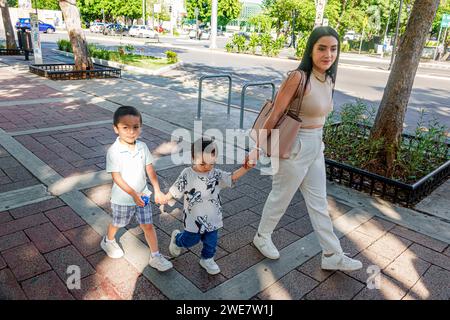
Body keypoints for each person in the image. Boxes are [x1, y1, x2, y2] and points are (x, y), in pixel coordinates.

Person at [249, 26, 363, 271]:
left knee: (319, 202)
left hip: (315, 146)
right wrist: (257, 147)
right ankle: (262, 236)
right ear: (311, 49)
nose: (328, 54)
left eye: (333, 49)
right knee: (281, 196)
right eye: (322, 48)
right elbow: (275, 112)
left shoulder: (329, 78)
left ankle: (332, 254)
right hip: (294, 143)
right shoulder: (298, 77)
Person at [164, 137, 252, 275]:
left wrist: (245, 168)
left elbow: (232, 177)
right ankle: (177, 239)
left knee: (211, 242)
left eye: (212, 163)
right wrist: (165, 197)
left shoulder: (216, 174)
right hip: (194, 219)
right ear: (193, 157)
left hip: (212, 218)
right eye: (203, 163)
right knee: (190, 240)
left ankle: (207, 259)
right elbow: (177, 188)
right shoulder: (187, 174)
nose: (207, 167)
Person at [101, 106, 173, 272]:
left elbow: (150, 170)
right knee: (119, 222)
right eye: (125, 127)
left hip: (143, 197)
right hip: (122, 199)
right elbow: (116, 177)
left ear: (140, 127)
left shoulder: (142, 147)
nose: (131, 131)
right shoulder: (114, 151)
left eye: (135, 127)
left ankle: (155, 256)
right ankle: (108, 241)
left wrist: (157, 189)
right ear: (115, 129)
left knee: (147, 225)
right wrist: (133, 194)